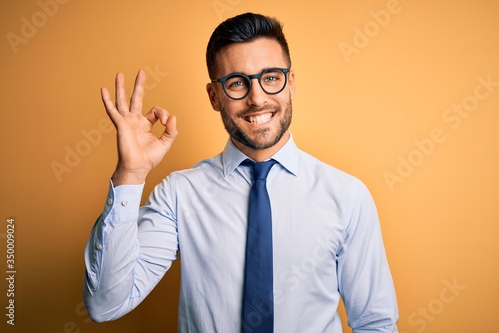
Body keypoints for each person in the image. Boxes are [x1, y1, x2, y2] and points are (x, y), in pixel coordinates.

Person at [83, 12, 399, 332]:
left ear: (290, 84)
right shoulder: (179, 194)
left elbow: (375, 322)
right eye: (237, 83)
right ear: (214, 97)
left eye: (271, 77)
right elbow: (105, 304)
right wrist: (130, 175)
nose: (257, 98)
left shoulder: (347, 196)